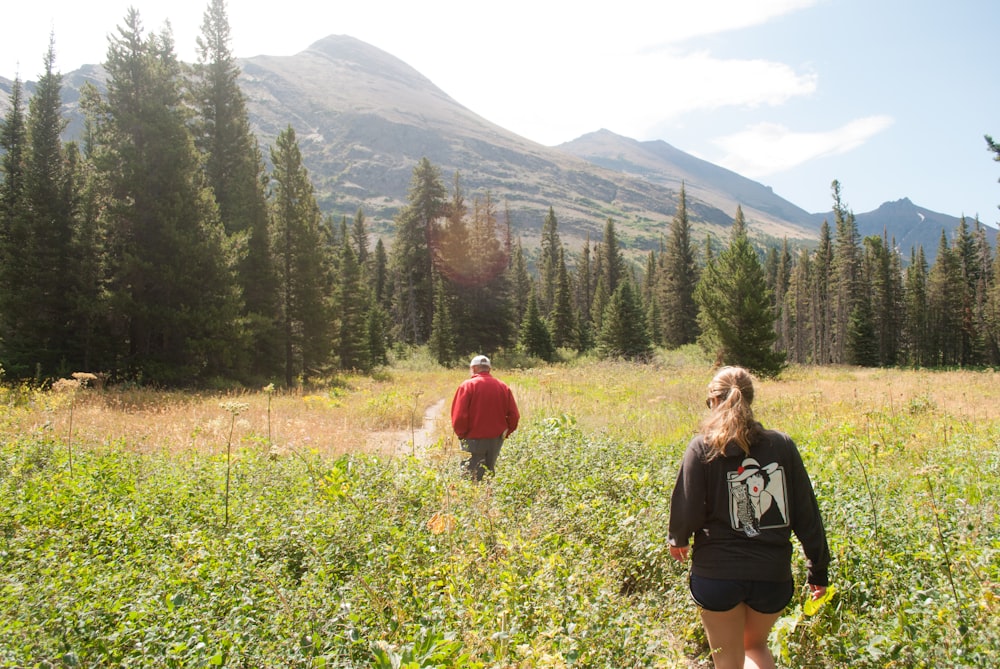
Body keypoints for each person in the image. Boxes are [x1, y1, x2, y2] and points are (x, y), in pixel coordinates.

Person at [668, 366, 830, 669]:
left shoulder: (702, 447)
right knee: (755, 646)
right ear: (750, 400)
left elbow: (687, 509)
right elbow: (807, 515)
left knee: (728, 660)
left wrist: (678, 538)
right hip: (772, 577)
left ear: (713, 402)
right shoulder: (782, 445)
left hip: (716, 576)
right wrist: (818, 569)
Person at [450, 355, 520, 481]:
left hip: (472, 439)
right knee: (488, 474)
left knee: (470, 476)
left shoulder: (467, 386)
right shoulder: (503, 387)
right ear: (489, 369)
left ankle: (472, 499)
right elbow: (514, 415)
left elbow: (459, 416)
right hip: (495, 440)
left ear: (474, 368)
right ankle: (488, 498)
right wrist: (505, 432)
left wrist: (462, 434)